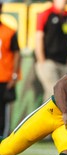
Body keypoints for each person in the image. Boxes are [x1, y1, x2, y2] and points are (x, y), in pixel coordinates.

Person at [35, 0, 67, 102]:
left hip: (63, 62)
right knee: (54, 93)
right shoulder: (46, 14)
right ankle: (47, 117)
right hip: (49, 61)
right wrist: (42, 60)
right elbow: (38, 37)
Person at [0, 2, 21, 137]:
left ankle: (2, 139)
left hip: (4, 77)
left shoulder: (9, 31)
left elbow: (17, 53)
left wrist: (14, 75)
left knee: (2, 113)